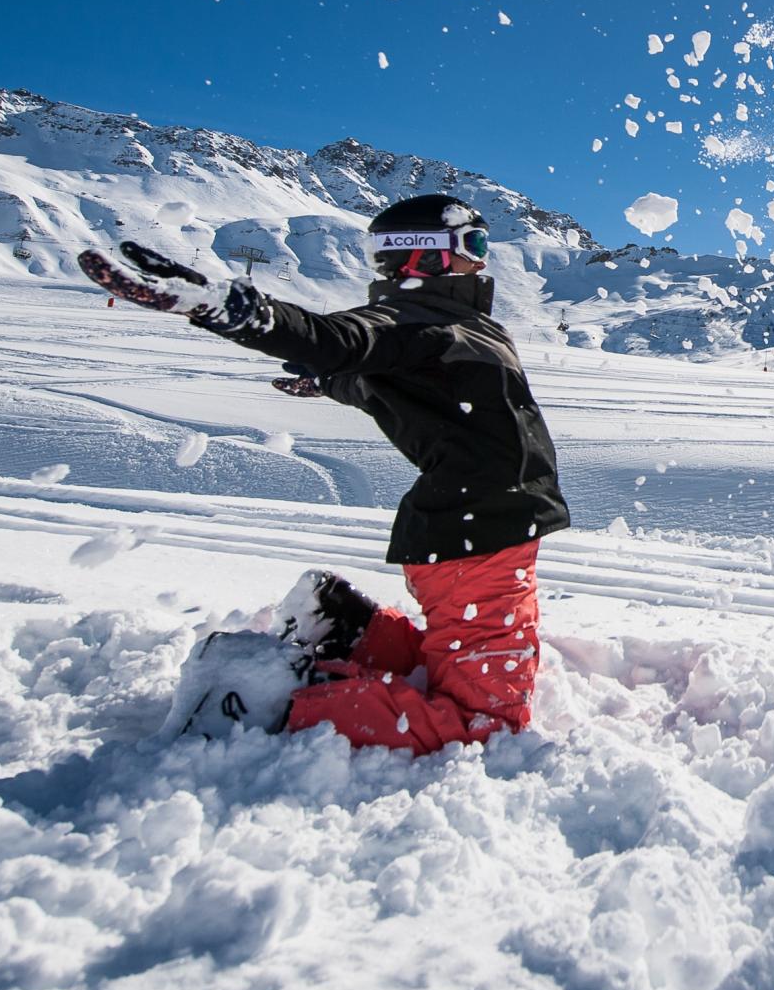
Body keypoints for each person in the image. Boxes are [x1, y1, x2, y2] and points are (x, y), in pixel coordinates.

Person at [81, 194, 570, 754]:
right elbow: (335, 339)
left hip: (491, 527)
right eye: (473, 245)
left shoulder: (456, 325)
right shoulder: (405, 320)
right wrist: (229, 308)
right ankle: (270, 699)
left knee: (465, 650)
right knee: (486, 723)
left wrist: (328, 382)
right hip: (477, 534)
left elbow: (375, 376)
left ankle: (343, 626)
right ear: (424, 256)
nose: (482, 261)